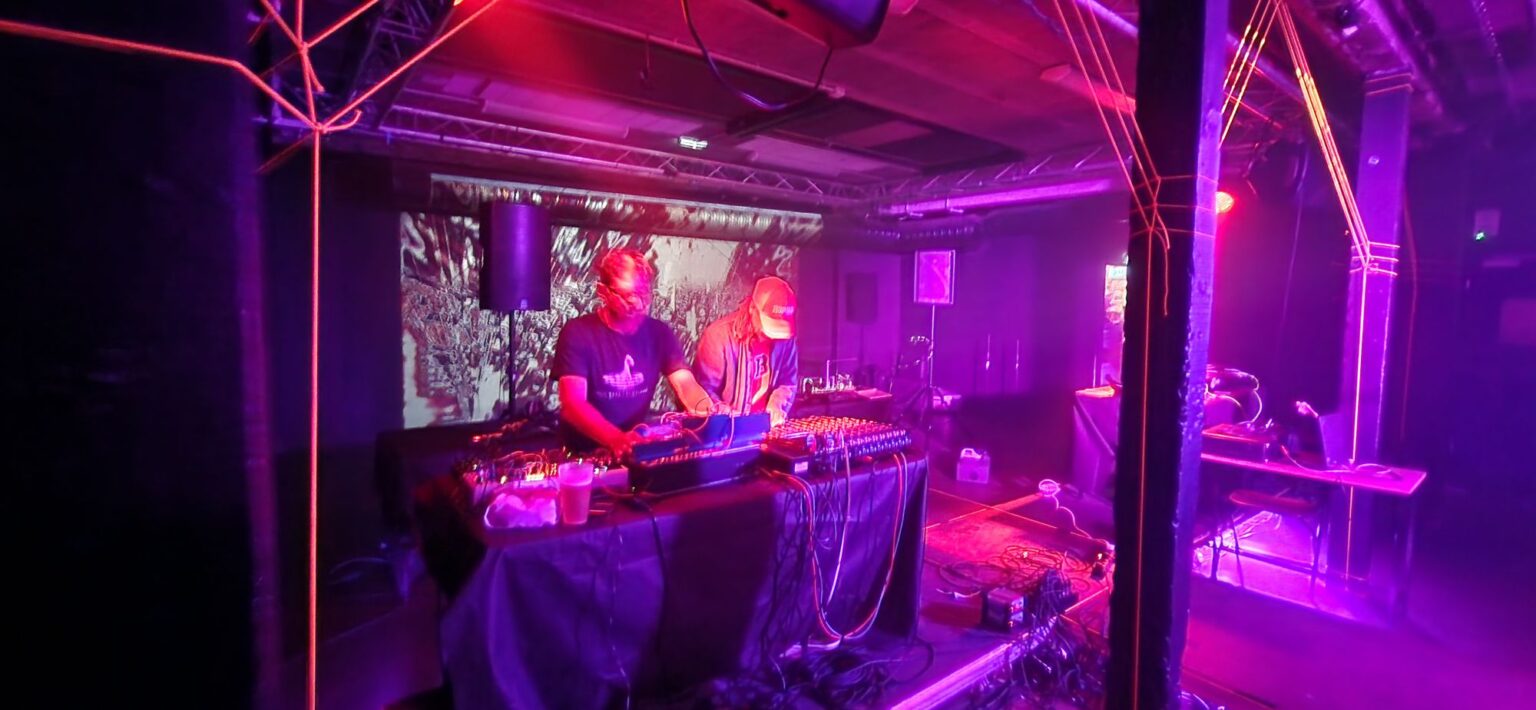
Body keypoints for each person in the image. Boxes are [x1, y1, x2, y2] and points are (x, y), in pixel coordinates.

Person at [551, 248, 712, 456]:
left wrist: (709, 411)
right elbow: (573, 404)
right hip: (585, 452)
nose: (637, 303)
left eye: (643, 293)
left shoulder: (659, 333)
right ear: (603, 292)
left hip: (634, 446)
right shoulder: (578, 333)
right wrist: (616, 439)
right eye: (627, 295)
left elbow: (685, 383)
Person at [693, 276, 800, 425]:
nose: (771, 336)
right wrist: (723, 413)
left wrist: (777, 404)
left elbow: (787, 381)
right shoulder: (718, 336)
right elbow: (702, 390)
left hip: (765, 428)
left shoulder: (785, 340)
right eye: (768, 327)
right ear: (752, 309)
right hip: (727, 430)